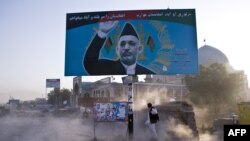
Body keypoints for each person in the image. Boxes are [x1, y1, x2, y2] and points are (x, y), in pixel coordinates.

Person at [83, 21, 155, 75]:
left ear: (140, 49)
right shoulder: (106, 67)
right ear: (117, 50)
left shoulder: (149, 73)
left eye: (131, 43)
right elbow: (90, 64)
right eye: (122, 44)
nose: (126, 47)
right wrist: (102, 33)